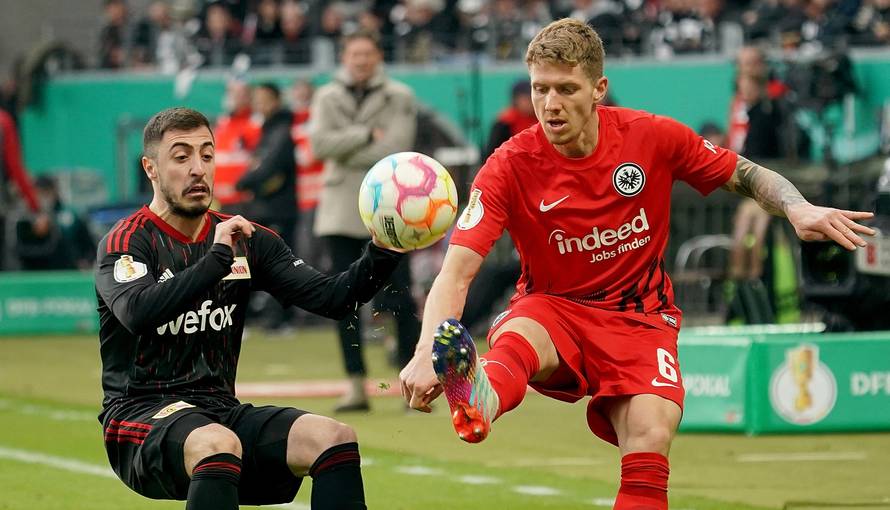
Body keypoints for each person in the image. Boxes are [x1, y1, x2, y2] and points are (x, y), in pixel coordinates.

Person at [399, 19, 875, 509]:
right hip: (554, 307)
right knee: (521, 335)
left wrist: (797, 206)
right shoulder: (508, 164)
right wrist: (424, 349)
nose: (550, 104)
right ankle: (481, 397)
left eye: (566, 89)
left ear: (598, 88)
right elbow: (456, 272)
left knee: (651, 432)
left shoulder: (650, 137)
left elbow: (746, 173)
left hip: (640, 318)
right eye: (540, 89)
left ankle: (489, 394)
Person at [95, 107, 405, 510]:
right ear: (150, 169)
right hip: (140, 415)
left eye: (207, 155)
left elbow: (333, 299)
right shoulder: (127, 241)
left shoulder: (246, 238)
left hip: (219, 411)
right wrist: (216, 261)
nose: (198, 168)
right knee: (218, 444)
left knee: (335, 438)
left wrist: (385, 248)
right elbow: (136, 312)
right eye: (181, 156)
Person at [310, 28, 420, 412]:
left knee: (401, 298)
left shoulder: (400, 95)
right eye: (354, 54)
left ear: (378, 57)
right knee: (343, 302)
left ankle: (411, 383)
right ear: (344, 57)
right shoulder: (326, 96)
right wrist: (364, 135)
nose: (361, 61)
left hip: (389, 210)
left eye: (367, 54)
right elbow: (318, 145)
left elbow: (396, 147)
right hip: (340, 211)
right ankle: (355, 385)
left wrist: (344, 147)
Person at [15, 175, 96, 270]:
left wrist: (85, 262)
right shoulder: (24, 218)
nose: (42, 197)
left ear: (54, 191)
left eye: (46, 192)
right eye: (39, 193)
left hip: (67, 270)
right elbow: (20, 249)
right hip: (34, 272)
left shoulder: (70, 216)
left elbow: (88, 246)